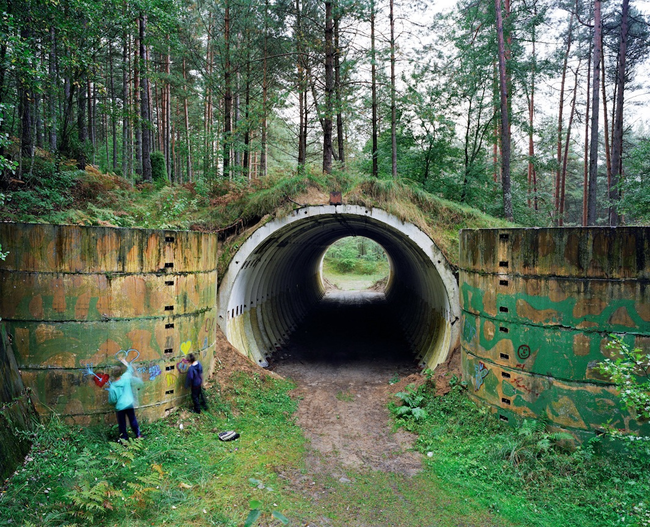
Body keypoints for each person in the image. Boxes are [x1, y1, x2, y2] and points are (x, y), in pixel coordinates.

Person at [108, 357, 144, 441]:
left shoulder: (113, 386)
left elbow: (112, 400)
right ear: (121, 373)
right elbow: (129, 370)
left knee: (122, 423)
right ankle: (138, 435)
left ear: (113, 376)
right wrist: (124, 361)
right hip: (129, 403)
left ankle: (124, 438)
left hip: (120, 407)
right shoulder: (126, 377)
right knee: (133, 419)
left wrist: (114, 404)